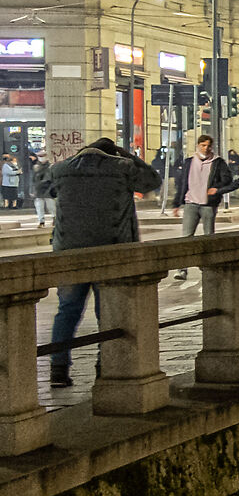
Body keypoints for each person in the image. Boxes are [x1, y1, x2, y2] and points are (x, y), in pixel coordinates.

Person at [40, 138, 162, 387]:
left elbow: (44, 189)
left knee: (67, 311)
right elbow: (152, 181)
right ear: (113, 153)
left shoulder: (61, 169)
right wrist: (128, 156)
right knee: (107, 312)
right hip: (112, 252)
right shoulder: (123, 168)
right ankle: (104, 365)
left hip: (69, 254)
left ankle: (58, 370)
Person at [169, 134, 238, 280]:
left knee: (208, 236)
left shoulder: (218, 162)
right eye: (203, 145)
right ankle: (182, 269)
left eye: (208, 146)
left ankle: (209, 266)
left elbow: (227, 179)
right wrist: (177, 204)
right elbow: (182, 184)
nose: (206, 148)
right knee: (186, 238)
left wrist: (216, 189)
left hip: (208, 204)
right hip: (191, 203)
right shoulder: (189, 162)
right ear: (198, 146)